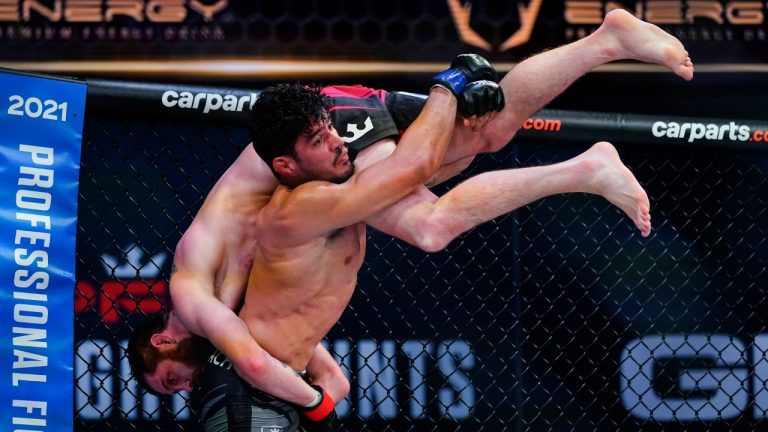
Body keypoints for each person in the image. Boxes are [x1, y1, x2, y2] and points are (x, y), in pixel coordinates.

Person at [127, 8, 694, 431]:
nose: (187, 385)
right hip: (339, 123)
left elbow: (250, 354)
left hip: (329, 129)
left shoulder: (194, 290)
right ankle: (607, 39)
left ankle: (585, 168)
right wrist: (322, 368)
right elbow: (270, 325)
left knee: (427, 225)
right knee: (489, 133)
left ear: (163, 340)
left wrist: (317, 398)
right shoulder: (220, 294)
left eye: (172, 379)